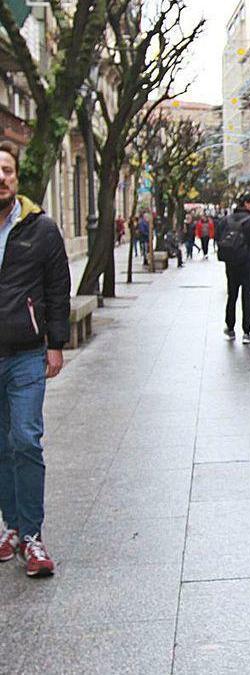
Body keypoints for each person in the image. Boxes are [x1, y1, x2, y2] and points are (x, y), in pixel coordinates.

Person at [0, 141, 70, 578]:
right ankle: (12, 525)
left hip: (26, 353)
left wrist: (55, 342)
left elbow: (57, 287)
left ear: (16, 177)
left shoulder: (40, 228)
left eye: (7, 169)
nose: (0, 177)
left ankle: (32, 535)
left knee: (25, 439)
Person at [217, 193, 250, 344]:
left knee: (232, 295)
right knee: (248, 297)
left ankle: (230, 327)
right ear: (246, 204)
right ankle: (246, 331)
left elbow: (219, 238)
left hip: (231, 264)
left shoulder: (226, 220)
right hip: (248, 265)